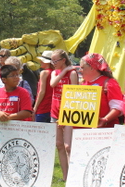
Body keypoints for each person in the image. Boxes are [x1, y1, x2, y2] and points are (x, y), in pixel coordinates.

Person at [50, 49, 78, 181]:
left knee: (68, 146)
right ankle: (65, 176)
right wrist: (63, 72)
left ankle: (73, 175)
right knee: (59, 144)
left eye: (56, 60)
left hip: (68, 113)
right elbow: (52, 84)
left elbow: (76, 95)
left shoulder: (72, 74)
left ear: (64, 60)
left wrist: (67, 72)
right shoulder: (54, 73)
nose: (53, 63)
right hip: (55, 112)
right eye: (52, 60)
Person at [80, 53, 123, 128]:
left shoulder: (109, 83)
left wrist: (105, 120)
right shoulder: (82, 84)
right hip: (84, 131)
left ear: (92, 68)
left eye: (82, 67)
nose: (80, 70)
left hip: (104, 132)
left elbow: (117, 108)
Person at [33, 51, 54, 123]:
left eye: (42, 60)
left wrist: (35, 107)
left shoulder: (44, 72)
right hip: (52, 108)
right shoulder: (56, 73)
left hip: (42, 107)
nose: (40, 61)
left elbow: (42, 91)